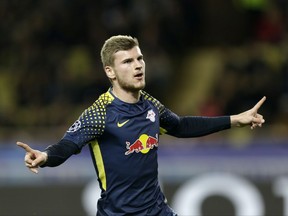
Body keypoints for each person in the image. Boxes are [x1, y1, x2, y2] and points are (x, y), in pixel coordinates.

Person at [17, 35, 266, 216]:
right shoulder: (100, 113)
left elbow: (180, 126)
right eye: (127, 61)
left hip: (157, 210)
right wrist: (46, 156)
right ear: (110, 72)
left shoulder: (150, 105)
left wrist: (234, 120)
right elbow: (68, 145)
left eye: (140, 58)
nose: (138, 65)